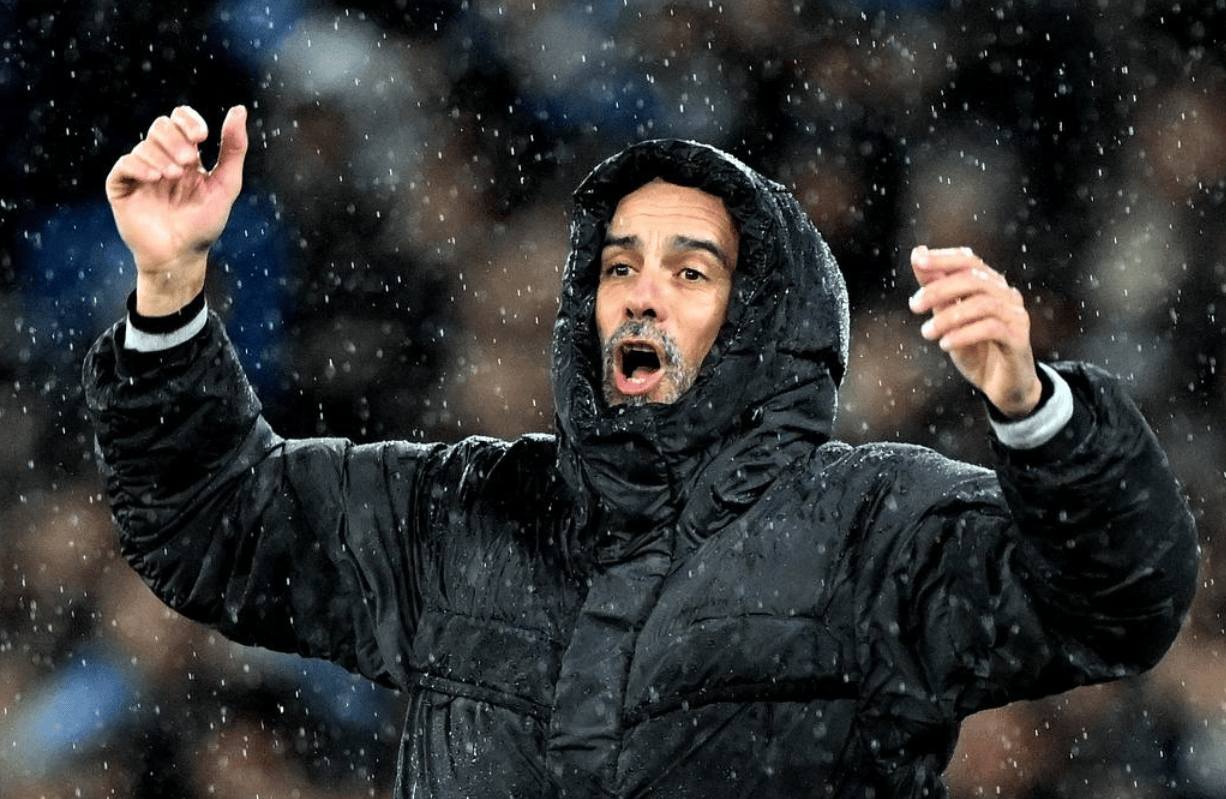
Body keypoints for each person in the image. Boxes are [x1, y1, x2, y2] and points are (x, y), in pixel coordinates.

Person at [84, 104, 1198, 799]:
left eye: (690, 270)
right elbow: (213, 524)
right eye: (618, 265)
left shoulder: (870, 524)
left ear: (760, 318)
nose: (641, 294)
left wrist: (1033, 408)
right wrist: (170, 289)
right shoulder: (463, 512)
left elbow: (1116, 600)